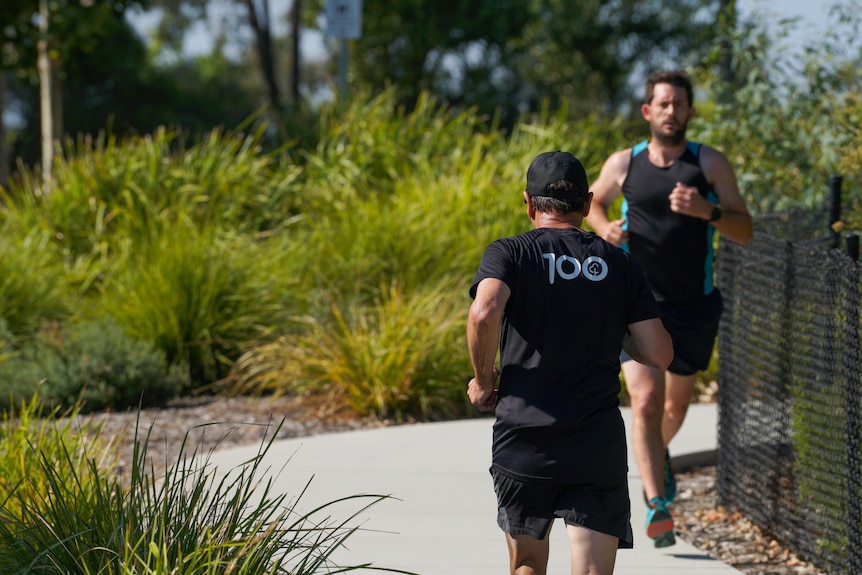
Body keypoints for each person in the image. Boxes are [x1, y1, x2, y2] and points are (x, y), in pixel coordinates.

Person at [467, 150, 674, 575]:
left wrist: (484, 381)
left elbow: (484, 311)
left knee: (527, 562)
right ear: (586, 205)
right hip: (594, 443)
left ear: (528, 203)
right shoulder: (619, 264)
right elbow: (659, 353)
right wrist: (616, 329)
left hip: (524, 439)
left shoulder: (510, 253)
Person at [585, 70, 753, 547]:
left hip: (695, 306)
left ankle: (657, 459)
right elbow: (592, 203)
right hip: (637, 306)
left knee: (676, 405)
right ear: (647, 111)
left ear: (690, 112)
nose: (671, 111)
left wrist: (710, 212)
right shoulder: (624, 163)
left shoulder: (710, 164)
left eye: (679, 104)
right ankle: (658, 504)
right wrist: (604, 229)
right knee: (645, 401)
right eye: (663, 103)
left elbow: (746, 229)